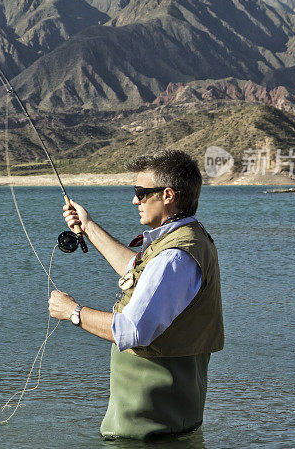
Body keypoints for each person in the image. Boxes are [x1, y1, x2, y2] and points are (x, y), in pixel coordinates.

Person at [48, 149, 224, 440]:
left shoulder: (174, 257)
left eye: (141, 192)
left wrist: (73, 312)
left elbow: (131, 330)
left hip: (147, 432)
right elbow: (136, 270)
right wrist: (88, 226)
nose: (135, 200)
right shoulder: (188, 239)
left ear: (167, 195)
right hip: (169, 426)